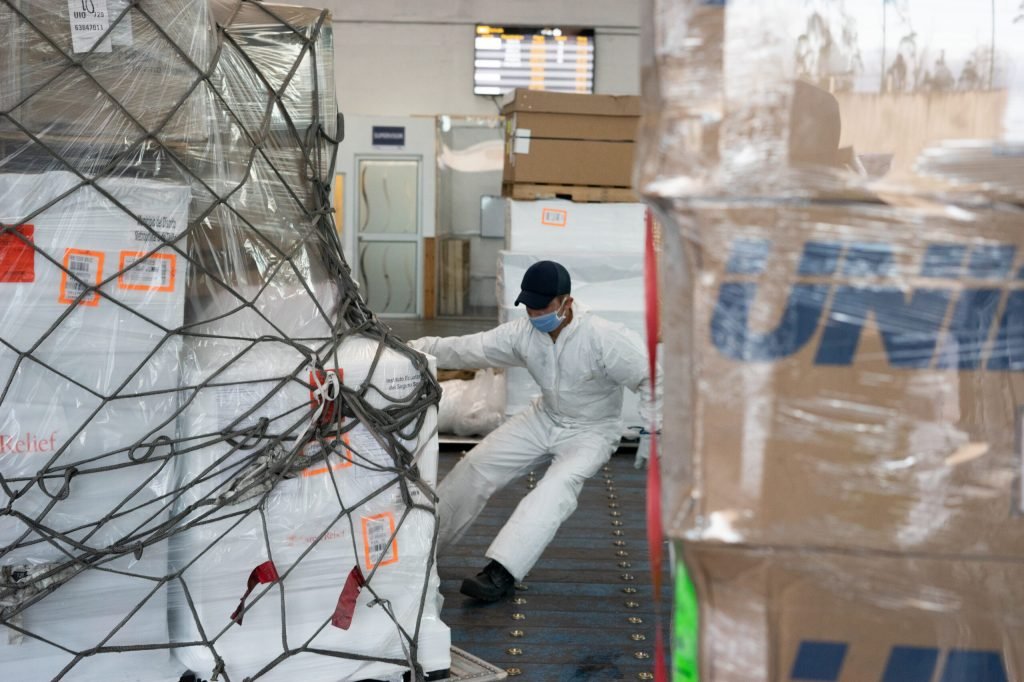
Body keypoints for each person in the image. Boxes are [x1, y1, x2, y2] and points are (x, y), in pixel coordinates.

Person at [409, 260, 661, 602]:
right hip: (544, 417)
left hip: (591, 431)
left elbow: (651, 377)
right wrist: (411, 348)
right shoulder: (524, 333)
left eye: (542, 307)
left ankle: (502, 572)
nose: (534, 313)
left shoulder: (604, 337)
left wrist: (652, 433)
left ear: (566, 303)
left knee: (554, 490)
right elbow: (470, 348)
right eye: (528, 306)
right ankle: (419, 549)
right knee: (475, 466)